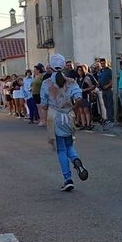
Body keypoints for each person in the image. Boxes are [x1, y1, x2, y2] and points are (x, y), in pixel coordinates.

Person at [40, 54, 90, 191]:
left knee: (61, 149)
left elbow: (44, 104)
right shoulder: (71, 82)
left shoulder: (46, 83)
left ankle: (68, 178)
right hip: (69, 116)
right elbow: (79, 98)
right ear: (63, 66)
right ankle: (75, 159)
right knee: (69, 144)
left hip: (54, 117)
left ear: (50, 66)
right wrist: (72, 108)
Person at [97, 56, 114, 124]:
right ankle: (107, 118)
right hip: (102, 90)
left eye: (104, 63)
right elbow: (99, 79)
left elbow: (113, 80)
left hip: (109, 90)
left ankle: (111, 118)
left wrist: (108, 85)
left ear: (106, 63)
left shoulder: (109, 71)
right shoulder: (100, 71)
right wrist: (99, 85)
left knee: (110, 105)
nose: (102, 65)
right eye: (101, 63)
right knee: (105, 105)